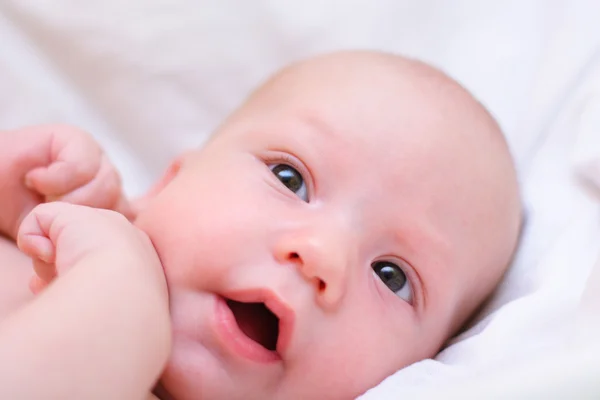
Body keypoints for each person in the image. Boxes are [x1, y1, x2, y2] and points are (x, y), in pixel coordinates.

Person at [0, 50, 522, 399]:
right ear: (167, 184)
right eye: (290, 179)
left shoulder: (113, 277)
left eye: (392, 276)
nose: (321, 253)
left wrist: (122, 284)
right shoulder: (62, 237)